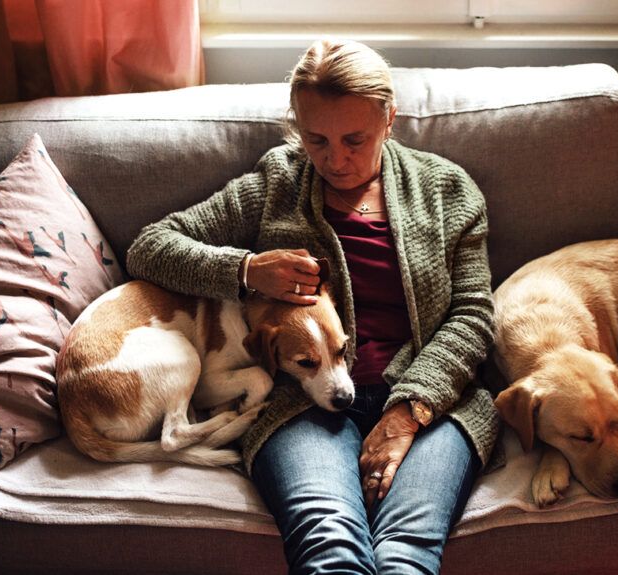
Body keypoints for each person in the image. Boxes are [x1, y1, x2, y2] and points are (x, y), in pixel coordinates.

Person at [126, 39, 498, 575]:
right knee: (329, 547)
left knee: (405, 554)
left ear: (389, 119)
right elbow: (152, 247)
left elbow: (472, 316)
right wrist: (247, 269)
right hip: (298, 407)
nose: (335, 160)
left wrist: (408, 410)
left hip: (431, 404)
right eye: (316, 139)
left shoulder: (446, 190)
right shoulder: (278, 182)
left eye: (355, 139)